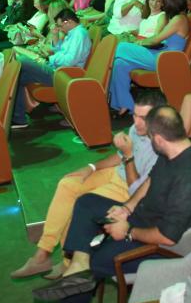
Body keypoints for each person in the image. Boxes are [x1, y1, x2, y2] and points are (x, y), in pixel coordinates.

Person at [31, 106, 191, 303]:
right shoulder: (174, 149)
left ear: (159, 139)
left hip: (162, 246)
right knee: (86, 202)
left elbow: (168, 237)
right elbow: (151, 180)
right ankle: (78, 263)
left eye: (150, 137)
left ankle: (79, 271)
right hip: (145, 217)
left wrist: (128, 230)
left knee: (91, 263)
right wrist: (127, 208)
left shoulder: (187, 178)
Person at [11, 92, 166, 279]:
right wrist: (91, 167)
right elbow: (119, 157)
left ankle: (67, 262)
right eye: (135, 115)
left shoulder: (163, 145)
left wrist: (129, 154)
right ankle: (43, 252)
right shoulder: (137, 128)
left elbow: (136, 189)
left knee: (79, 204)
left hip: (128, 190)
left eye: (143, 118)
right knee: (68, 184)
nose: (137, 122)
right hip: (115, 173)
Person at [108, 0, 189, 117]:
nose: (163, 4)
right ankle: (125, 105)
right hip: (159, 53)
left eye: (164, 1)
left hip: (164, 59)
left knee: (121, 47)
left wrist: (138, 43)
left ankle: (102, 87)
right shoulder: (176, 18)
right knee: (120, 64)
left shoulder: (179, 19)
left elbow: (155, 39)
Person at [11, 9, 92, 127]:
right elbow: (60, 50)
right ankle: (19, 119)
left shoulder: (79, 34)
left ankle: (19, 117)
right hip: (58, 70)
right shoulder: (73, 33)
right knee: (19, 77)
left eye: (60, 26)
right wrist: (54, 35)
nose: (60, 29)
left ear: (68, 22)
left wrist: (49, 59)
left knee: (22, 60)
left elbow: (69, 61)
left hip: (64, 75)